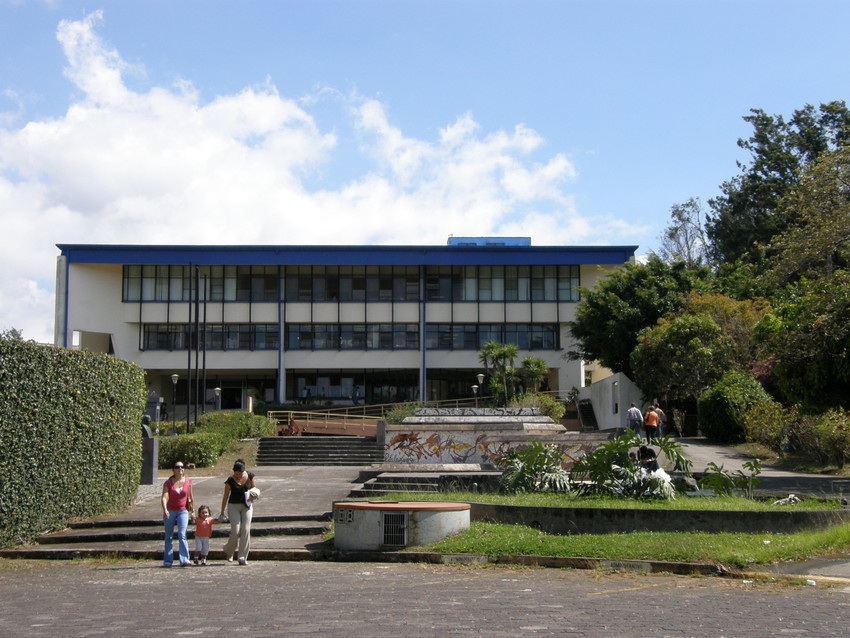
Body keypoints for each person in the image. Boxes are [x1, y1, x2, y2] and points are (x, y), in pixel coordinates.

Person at [219, 459, 257, 565]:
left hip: (247, 506)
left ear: (244, 471)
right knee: (235, 531)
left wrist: (253, 496)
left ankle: (242, 557)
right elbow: (225, 496)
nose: (238, 476)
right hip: (233, 506)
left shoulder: (250, 476)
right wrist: (222, 511)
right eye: (236, 473)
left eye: (240, 473)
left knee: (245, 529)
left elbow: (255, 488)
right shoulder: (230, 480)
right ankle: (228, 550)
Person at [161, 461, 195, 567]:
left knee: (182, 534)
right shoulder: (168, 483)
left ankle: (184, 559)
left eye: (182, 467)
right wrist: (165, 509)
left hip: (183, 511)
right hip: (170, 511)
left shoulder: (188, 481)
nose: (180, 469)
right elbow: (164, 497)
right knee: (168, 536)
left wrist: (193, 511)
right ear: (173, 470)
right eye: (177, 467)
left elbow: (190, 497)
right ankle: (168, 560)